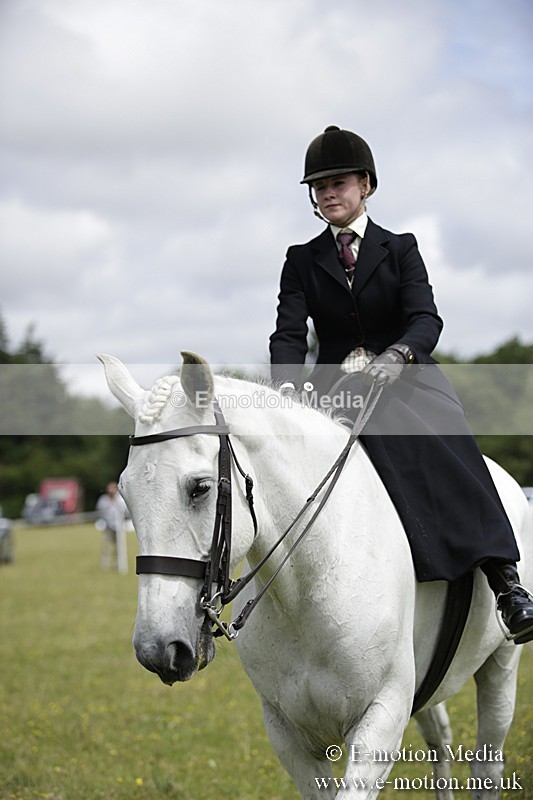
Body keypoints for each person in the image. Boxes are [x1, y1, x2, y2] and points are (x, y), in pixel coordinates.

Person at [270, 124, 533, 644]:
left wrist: (396, 355)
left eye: (338, 182)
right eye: (318, 187)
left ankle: (507, 584)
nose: (327, 193)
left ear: (365, 184)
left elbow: (426, 319)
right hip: (336, 389)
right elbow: (288, 332)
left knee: (450, 451)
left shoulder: (400, 248)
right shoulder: (301, 259)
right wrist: (285, 389)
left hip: (407, 379)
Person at [96, 481, 127, 570]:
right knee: (106, 547)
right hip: (107, 526)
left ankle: (118, 564)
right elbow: (100, 511)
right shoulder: (103, 500)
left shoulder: (120, 500)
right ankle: (104, 565)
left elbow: (124, 511)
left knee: (119, 548)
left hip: (118, 528)